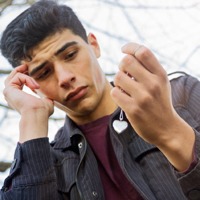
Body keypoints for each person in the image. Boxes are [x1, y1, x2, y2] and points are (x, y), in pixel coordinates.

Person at [0, 0, 200, 199]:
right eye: (44, 73)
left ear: (93, 45)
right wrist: (31, 117)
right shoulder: (48, 166)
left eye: (70, 55)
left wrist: (171, 133)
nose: (64, 77)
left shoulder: (181, 96)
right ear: (30, 84)